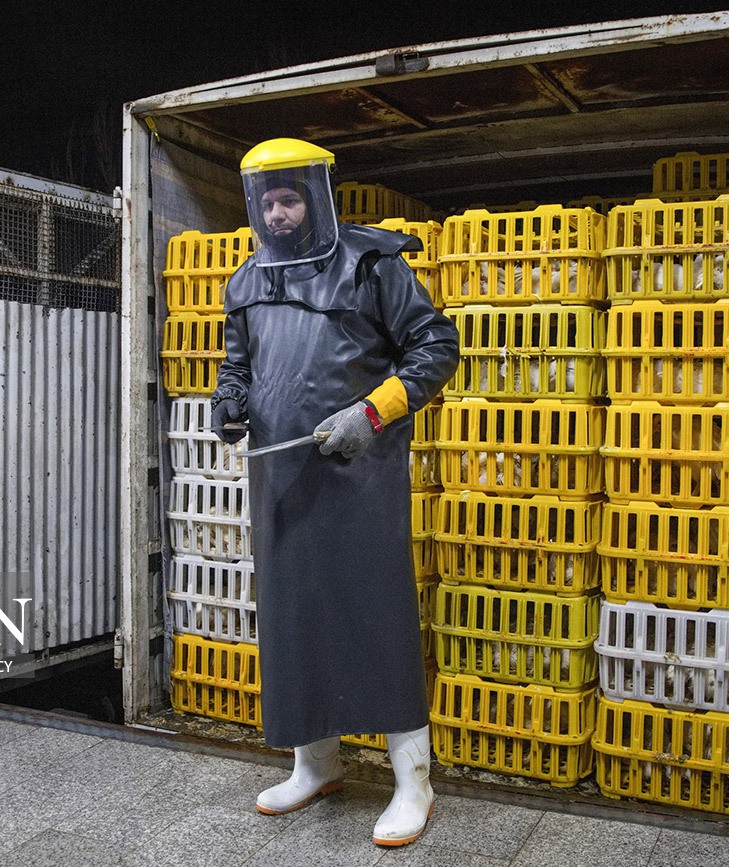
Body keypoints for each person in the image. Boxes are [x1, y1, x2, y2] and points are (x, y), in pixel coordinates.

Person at [209, 137, 459, 847]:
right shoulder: (246, 280)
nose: (278, 215)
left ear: (317, 197)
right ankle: (315, 762)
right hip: (281, 477)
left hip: (360, 475)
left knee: (376, 612)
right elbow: (238, 364)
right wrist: (229, 401)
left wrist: (372, 412)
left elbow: (436, 346)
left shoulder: (372, 263)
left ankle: (414, 779)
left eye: (290, 199)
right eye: (268, 203)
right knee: (295, 613)